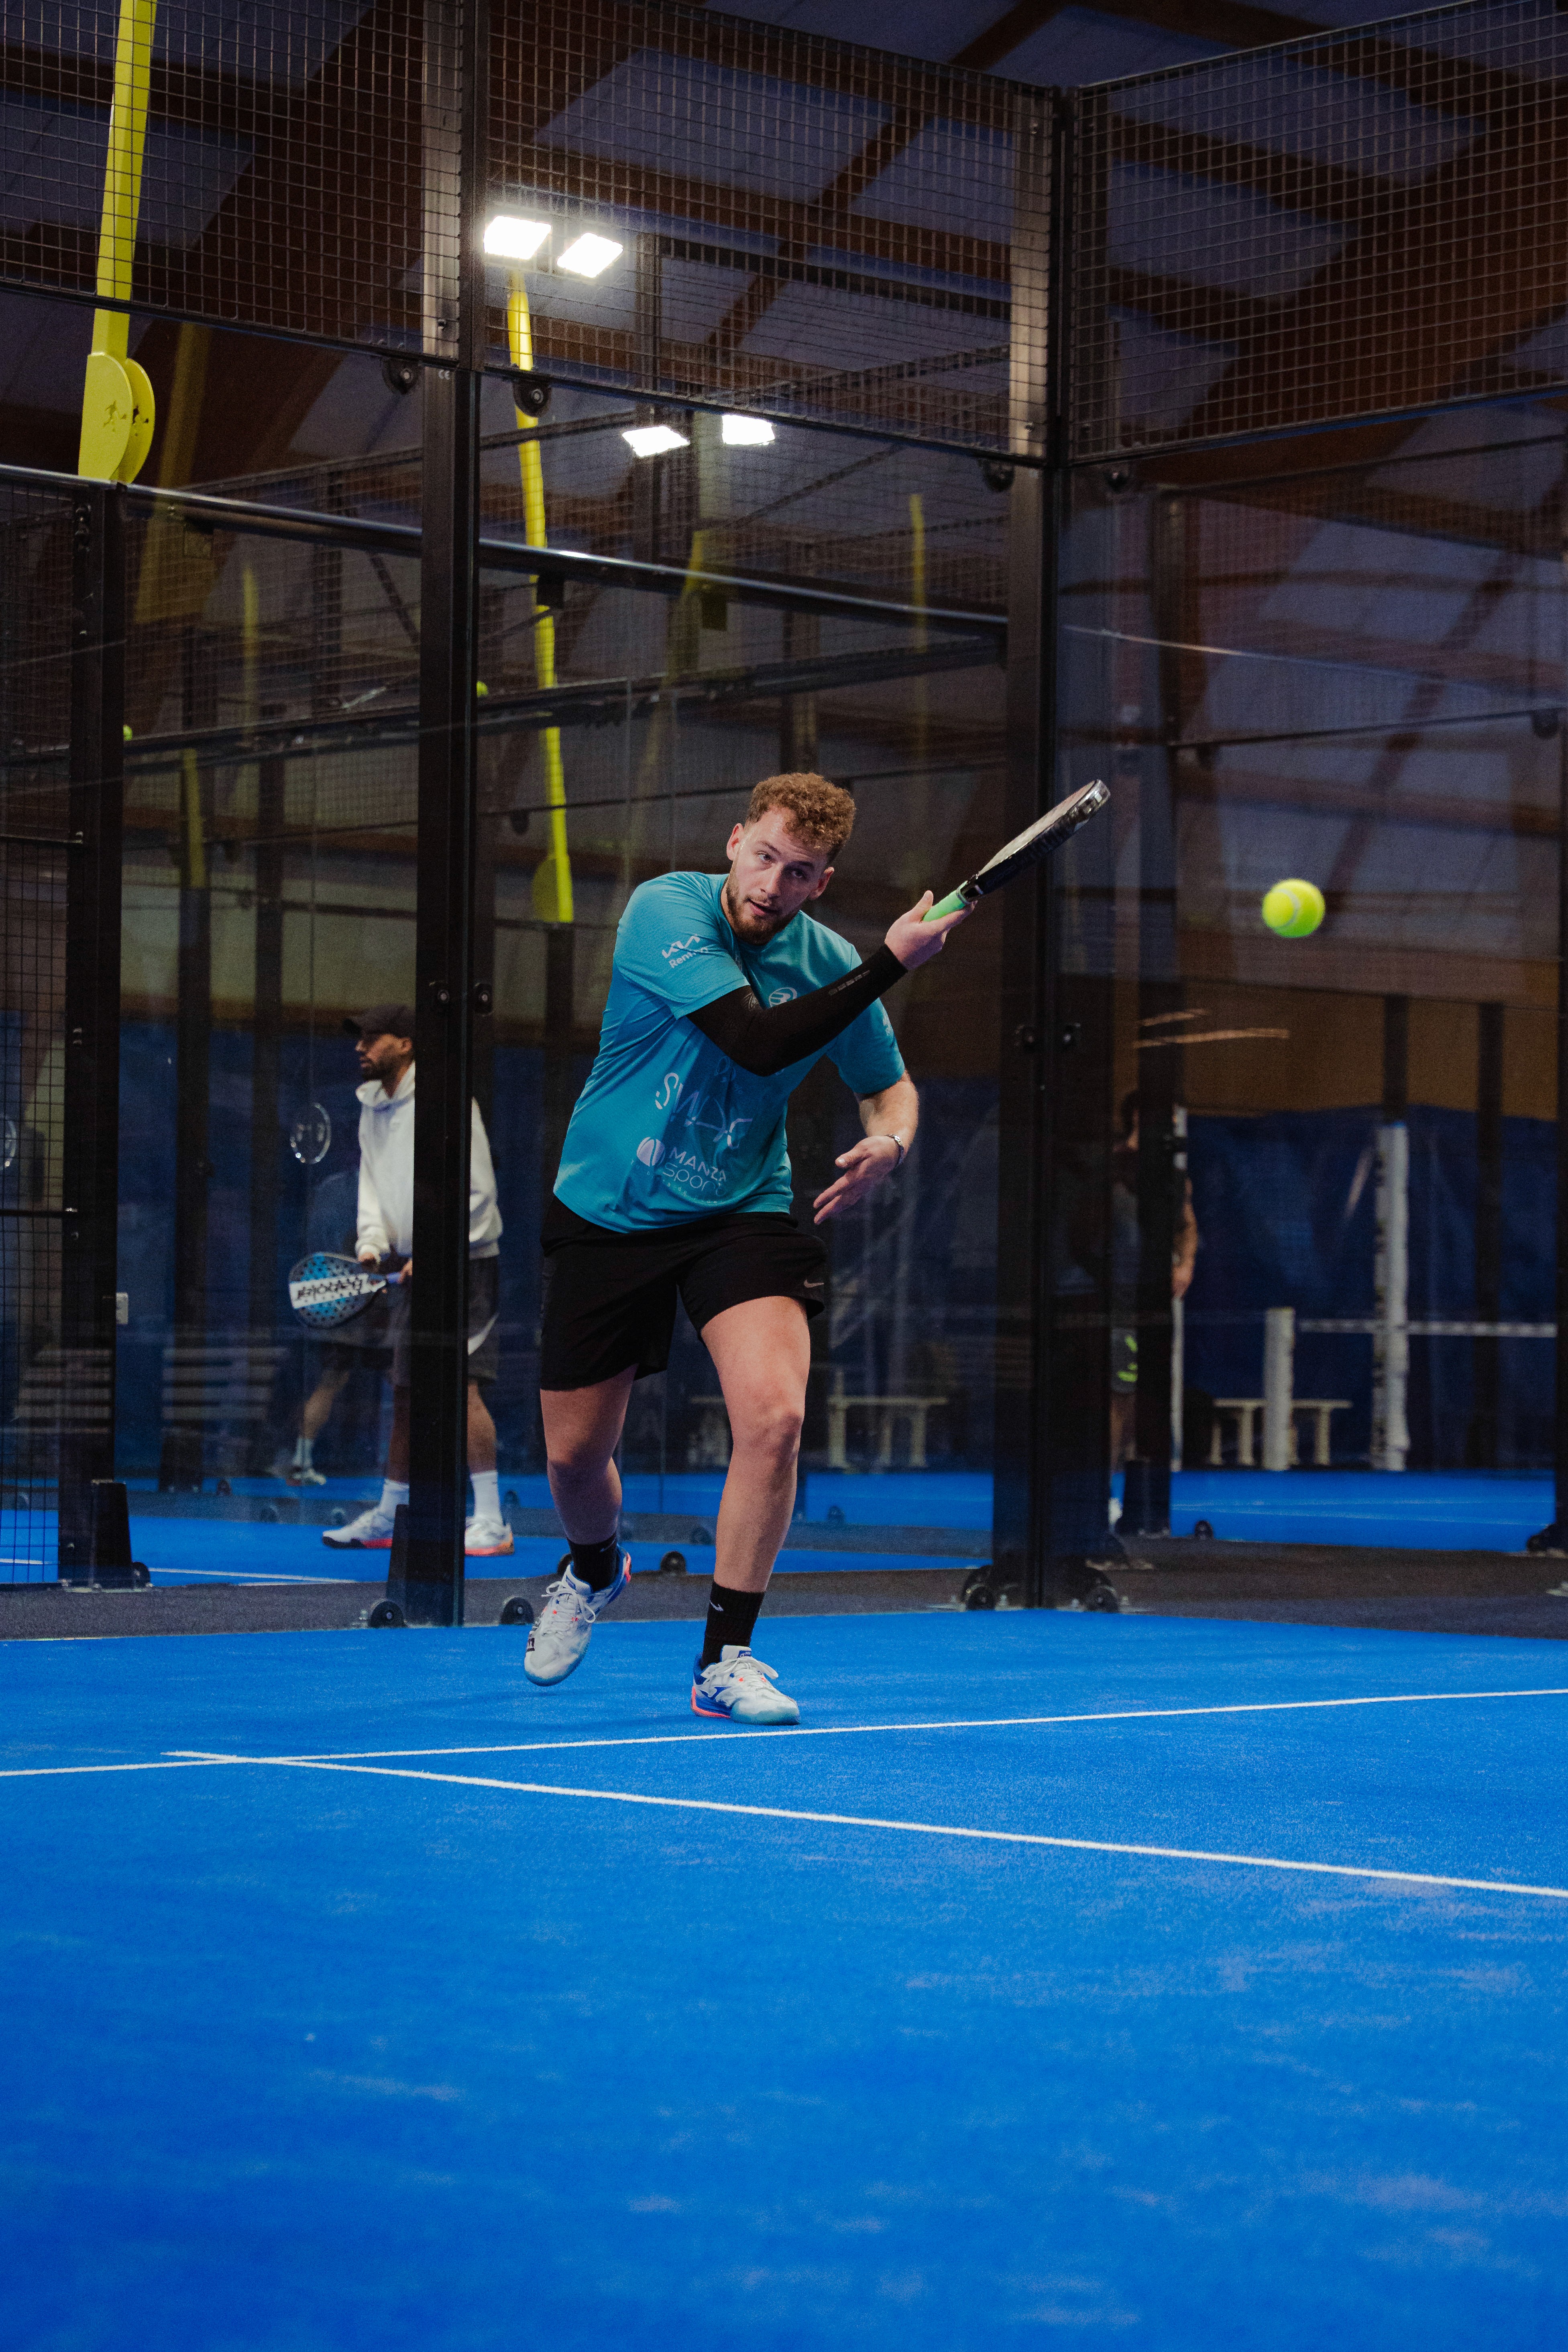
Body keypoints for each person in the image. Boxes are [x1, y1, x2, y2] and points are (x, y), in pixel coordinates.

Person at [523, 771, 966, 1723]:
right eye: (763, 856)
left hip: (743, 1210)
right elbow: (755, 1043)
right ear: (734, 842)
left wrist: (892, 1141)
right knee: (571, 1459)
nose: (773, 882)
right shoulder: (664, 909)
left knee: (774, 1418)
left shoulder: (828, 958)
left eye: (799, 871)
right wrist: (891, 962)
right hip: (610, 1208)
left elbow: (889, 1088)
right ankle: (595, 1566)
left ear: (822, 881)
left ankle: (726, 1658)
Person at [322, 1003, 511, 1557]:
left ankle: (493, 1521)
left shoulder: (446, 1100)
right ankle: (390, 1512)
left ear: (405, 1044)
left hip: (468, 1262)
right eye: (359, 1037)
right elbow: (372, 1188)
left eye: (373, 1037)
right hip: (412, 1263)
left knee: (461, 1385)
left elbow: (478, 1192)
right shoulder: (371, 1106)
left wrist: (437, 1249)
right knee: (404, 1392)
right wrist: (371, 1243)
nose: (361, 1046)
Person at [270, 1167, 390, 1486]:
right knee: (336, 1381)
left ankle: (300, 1460)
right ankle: (299, 1460)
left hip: (354, 1305)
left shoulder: (335, 1188)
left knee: (341, 1381)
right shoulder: (357, 1188)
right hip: (354, 1306)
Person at [1110, 1090, 1198, 1472]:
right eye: (1169, 1118)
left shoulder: (1175, 1177)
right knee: (1118, 1393)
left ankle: (1136, 1478)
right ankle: (1105, 1480)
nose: (1175, 1126)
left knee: (1144, 1393)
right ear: (1139, 1117)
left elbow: (1188, 1226)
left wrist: (1186, 1264)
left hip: (1155, 1300)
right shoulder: (1110, 1168)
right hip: (1116, 1297)